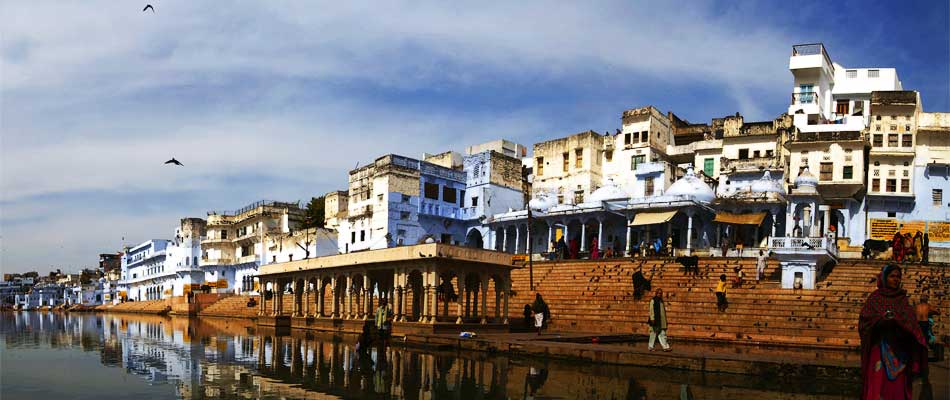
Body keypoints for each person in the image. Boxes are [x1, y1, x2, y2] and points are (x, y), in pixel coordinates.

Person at [859, 264, 928, 399]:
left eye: (898, 277)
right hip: (879, 349)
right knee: (878, 385)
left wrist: (900, 322)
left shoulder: (902, 299)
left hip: (899, 351)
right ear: (884, 278)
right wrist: (880, 320)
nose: (895, 279)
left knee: (895, 389)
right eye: (892, 276)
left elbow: (911, 322)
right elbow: (864, 321)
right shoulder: (875, 298)